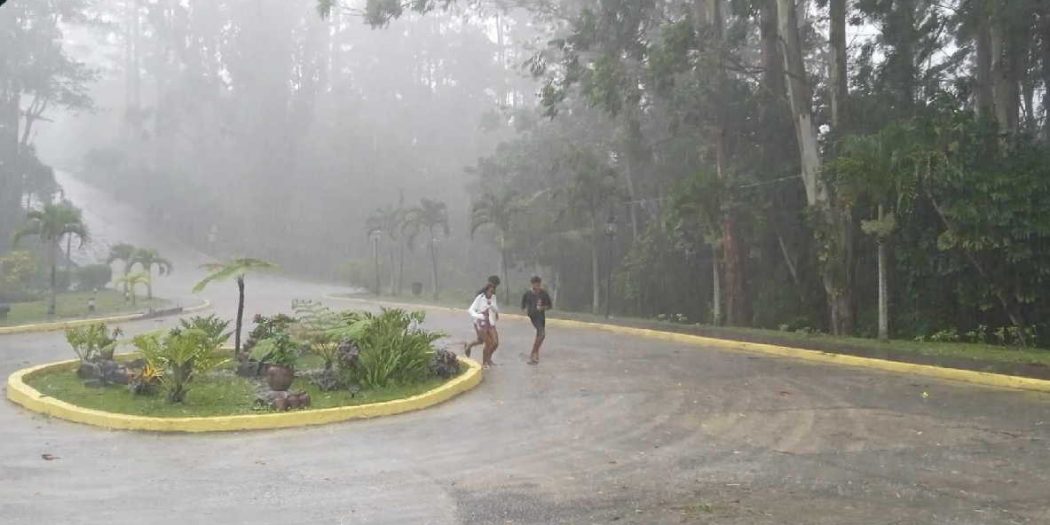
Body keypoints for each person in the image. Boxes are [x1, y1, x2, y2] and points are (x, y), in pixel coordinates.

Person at [464, 275, 500, 358]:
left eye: (495, 285)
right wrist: (479, 317)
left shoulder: (493, 293)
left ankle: (470, 346)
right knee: (486, 341)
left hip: (489, 321)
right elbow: (475, 308)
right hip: (480, 321)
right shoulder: (480, 294)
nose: (494, 287)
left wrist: (496, 313)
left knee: (484, 341)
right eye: (494, 284)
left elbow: (493, 304)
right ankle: (486, 361)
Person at [521, 276, 552, 364]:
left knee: (539, 334)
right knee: (542, 334)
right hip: (533, 316)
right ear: (532, 284)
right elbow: (523, 305)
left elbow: (549, 306)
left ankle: (535, 353)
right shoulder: (528, 294)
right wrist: (526, 310)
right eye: (535, 285)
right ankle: (533, 353)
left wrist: (542, 308)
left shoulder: (543, 293)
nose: (537, 287)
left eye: (538, 285)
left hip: (541, 316)